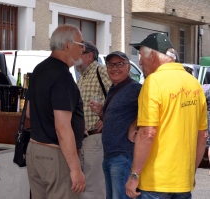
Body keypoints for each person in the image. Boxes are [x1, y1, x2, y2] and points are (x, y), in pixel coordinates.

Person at [126, 33, 208, 198]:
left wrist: (134, 175)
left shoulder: (153, 82)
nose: (139, 62)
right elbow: (203, 136)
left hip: (155, 183)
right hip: (183, 182)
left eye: (141, 56)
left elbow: (148, 133)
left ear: (154, 56)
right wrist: (190, 172)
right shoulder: (194, 84)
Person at [25, 24, 86, 199]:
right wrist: (75, 170)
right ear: (67, 45)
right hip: (55, 154)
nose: (83, 49)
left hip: (35, 149)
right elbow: (62, 127)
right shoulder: (62, 75)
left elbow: (29, 111)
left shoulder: (39, 69)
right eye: (80, 44)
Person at [89, 51, 142, 199]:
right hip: (110, 155)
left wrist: (135, 125)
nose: (115, 68)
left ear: (128, 67)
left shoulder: (135, 89)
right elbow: (114, 121)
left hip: (124, 156)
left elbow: (150, 111)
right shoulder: (114, 88)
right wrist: (101, 112)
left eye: (119, 64)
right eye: (111, 65)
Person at [76, 41, 111, 199]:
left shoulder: (100, 70)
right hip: (84, 138)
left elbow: (116, 96)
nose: (76, 57)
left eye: (80, 52)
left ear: (89, 56)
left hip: (96, 137)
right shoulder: (83, 76)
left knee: (94, 188)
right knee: (86, 186)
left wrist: (106, 117)